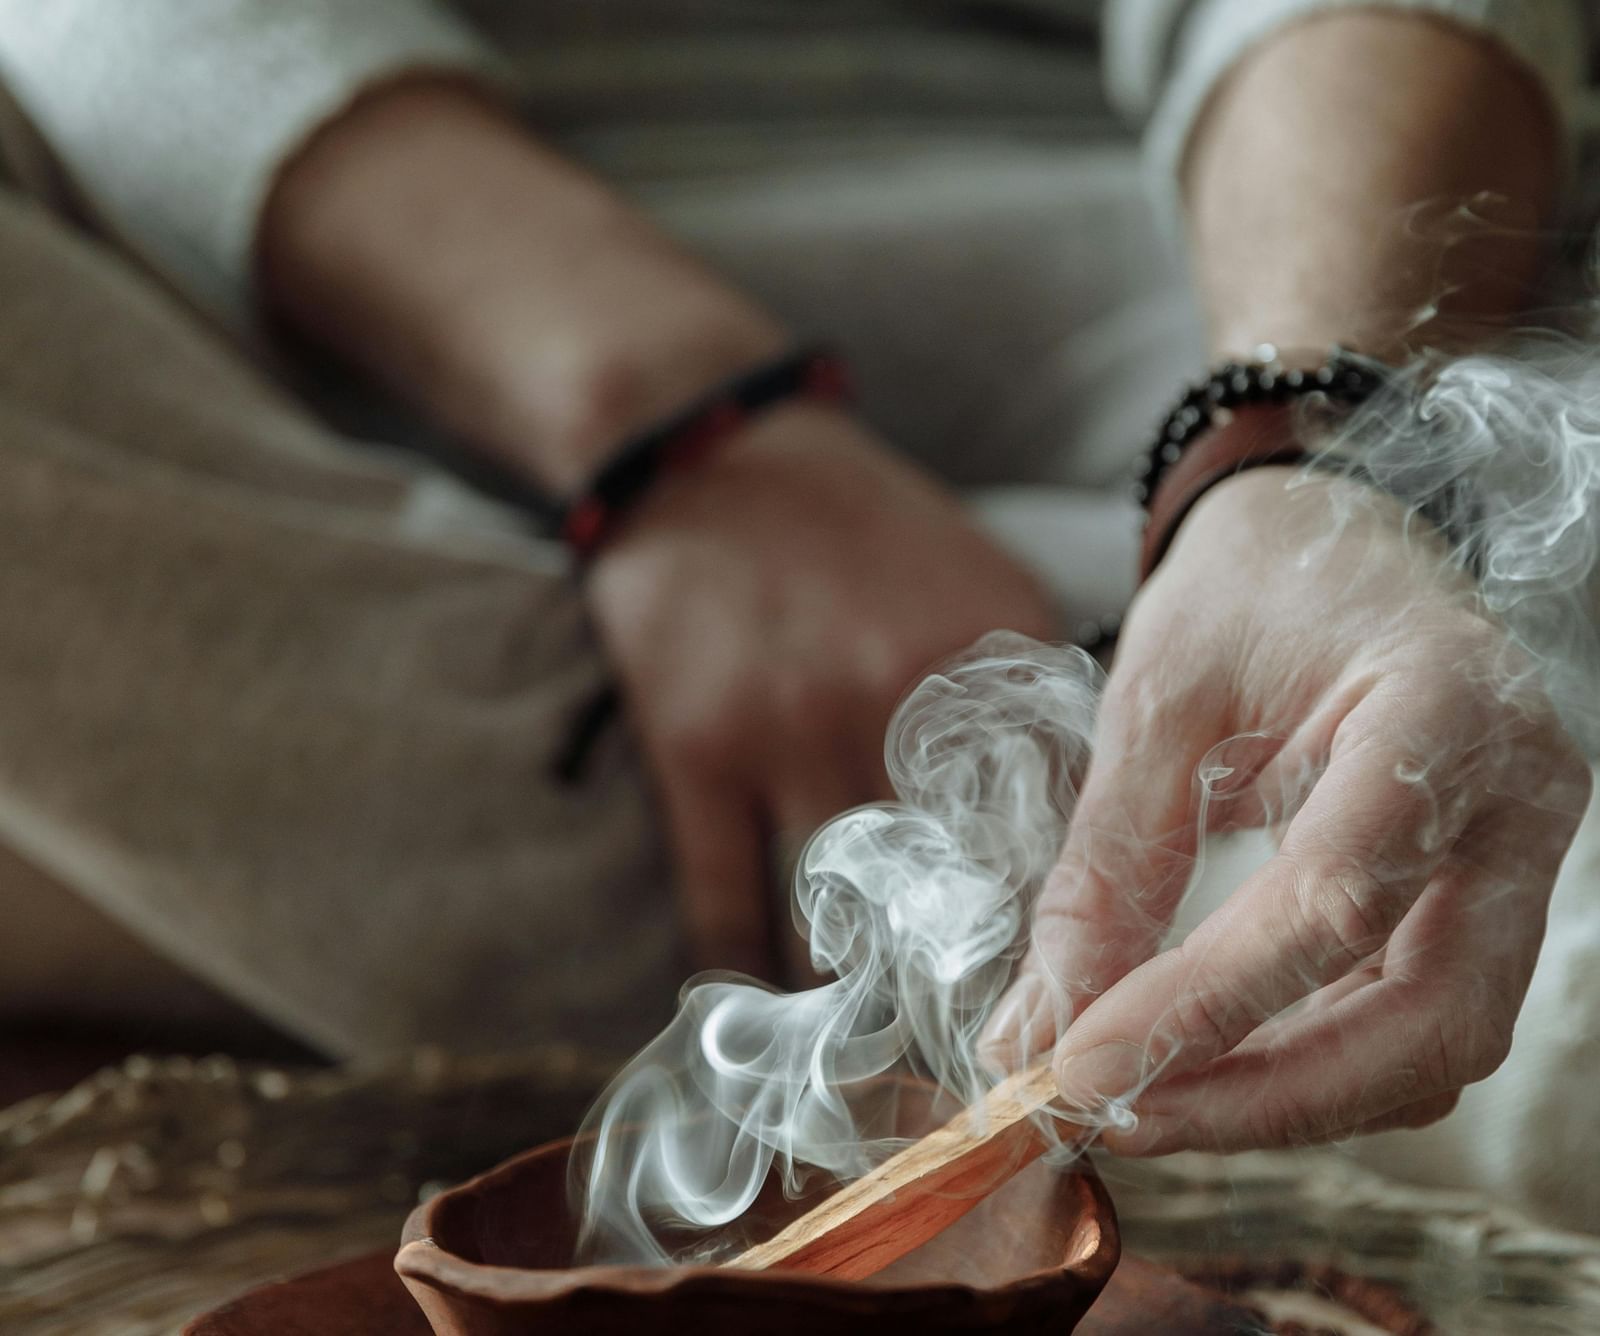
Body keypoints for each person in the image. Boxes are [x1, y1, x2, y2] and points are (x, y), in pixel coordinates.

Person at [0, 0, 1597, 1228]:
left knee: (1517, 502)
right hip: (259, 319)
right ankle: (1139, 931)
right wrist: (693, 427)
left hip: (1228, 238)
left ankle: (243, 894)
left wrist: (1304, 460)